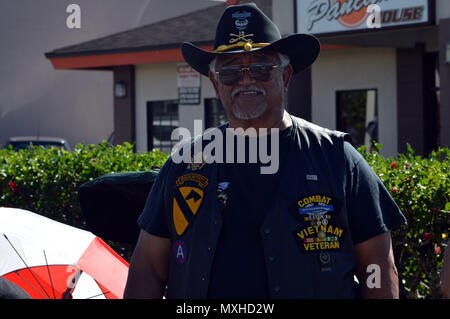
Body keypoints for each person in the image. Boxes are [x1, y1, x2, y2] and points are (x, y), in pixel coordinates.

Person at [124, 2, 406, 299]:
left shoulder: (337, 158)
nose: (246, 80)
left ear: (284, 77)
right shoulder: (184, 164)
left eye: (261, 68)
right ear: (216, 84)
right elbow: (148, 267)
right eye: (231, 72)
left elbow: (376, 263)